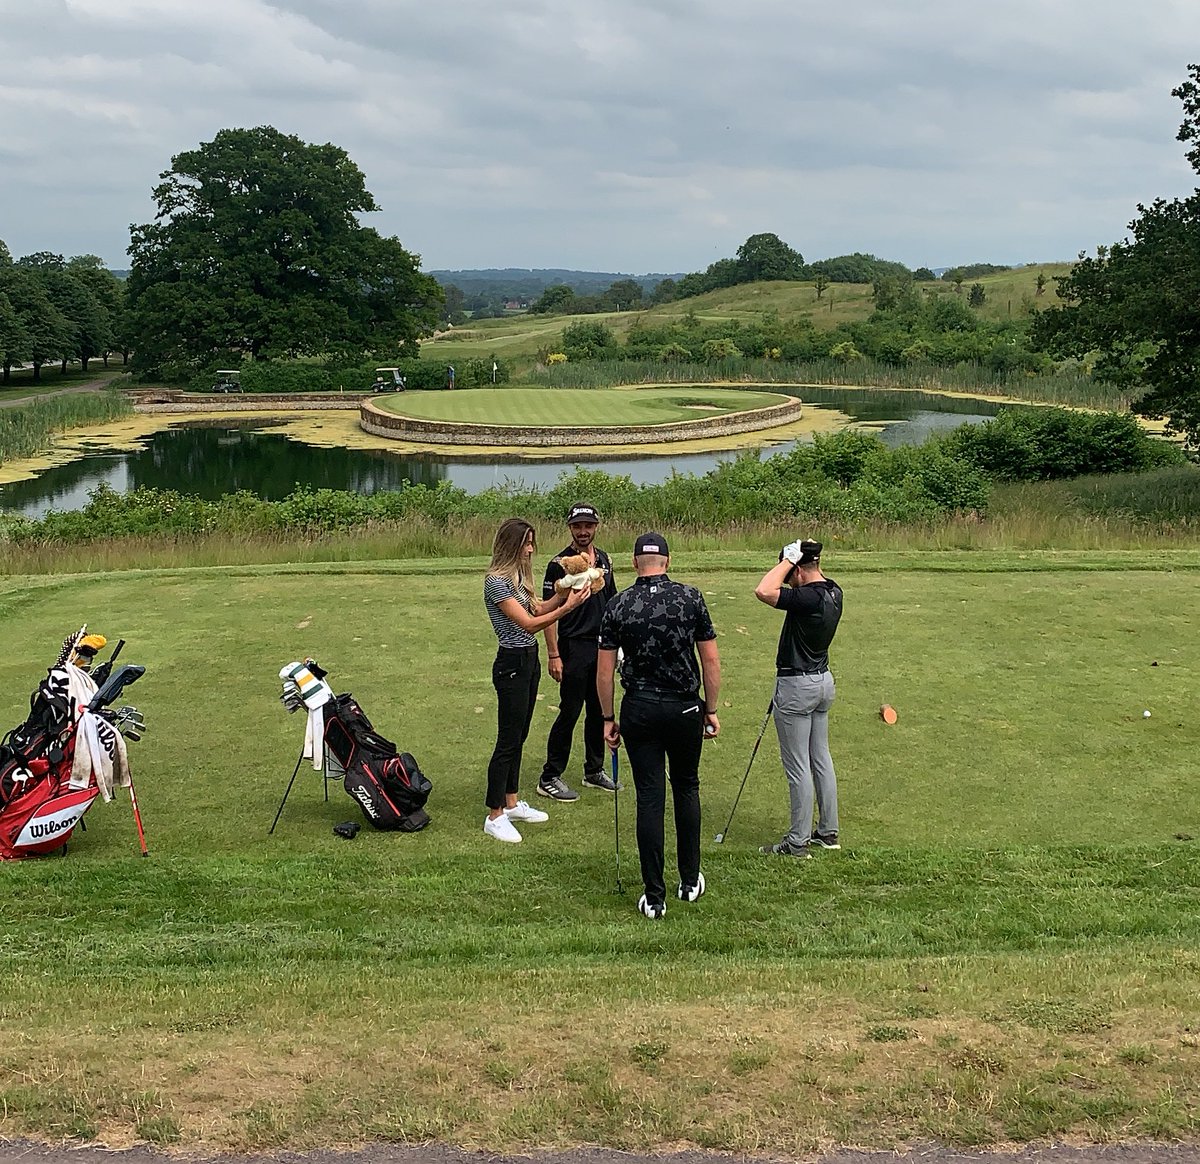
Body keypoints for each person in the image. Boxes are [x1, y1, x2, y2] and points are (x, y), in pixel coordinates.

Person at [597, 532, 721, 919]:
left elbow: (604, 673)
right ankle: (689, 879)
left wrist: (608, 718)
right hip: (685, 708)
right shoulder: (691, 598)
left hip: (640, 709)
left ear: (635, 563)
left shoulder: (618, 604)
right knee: (686, 787)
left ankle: (654, 895)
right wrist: (711, 709)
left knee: (649, 796)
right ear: (667, 561)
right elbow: (711, 663)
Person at [483, 518, 589, 843]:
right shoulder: (497, 582)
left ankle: (511, 803)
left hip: (528, 661)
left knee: (521, 734)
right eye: (527, 543)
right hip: (511, 663)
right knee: (508, 739)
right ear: (512, 545)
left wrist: (564, 595)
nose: (531, 548)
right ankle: (494, 814)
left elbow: (540, 607)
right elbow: (529, 624)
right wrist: (567, 607)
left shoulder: (518, 577)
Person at [753, 538, 843, 858]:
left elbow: (764, 590)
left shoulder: (805, 597)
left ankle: (797, 842)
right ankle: (828, 832)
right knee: (821, 758)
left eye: (790, 572)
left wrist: (787, 560)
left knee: (798, 767)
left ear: (798, 570)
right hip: (823, 682)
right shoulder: (835, 591)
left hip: (797, 687)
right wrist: (798, 563)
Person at [537, 503, 620, 802]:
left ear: (596, 526)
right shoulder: (559, 563)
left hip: (602, 646)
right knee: (570, 711)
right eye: (577, 526)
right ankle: (549, 776)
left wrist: (618, 646)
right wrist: (553, 654)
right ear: (570, 528)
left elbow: (612, 605)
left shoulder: (606, 560)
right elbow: (547, 611)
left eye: (588, 525)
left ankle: (593, 770)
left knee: (599, 710)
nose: (583, 531)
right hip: (573, 646)